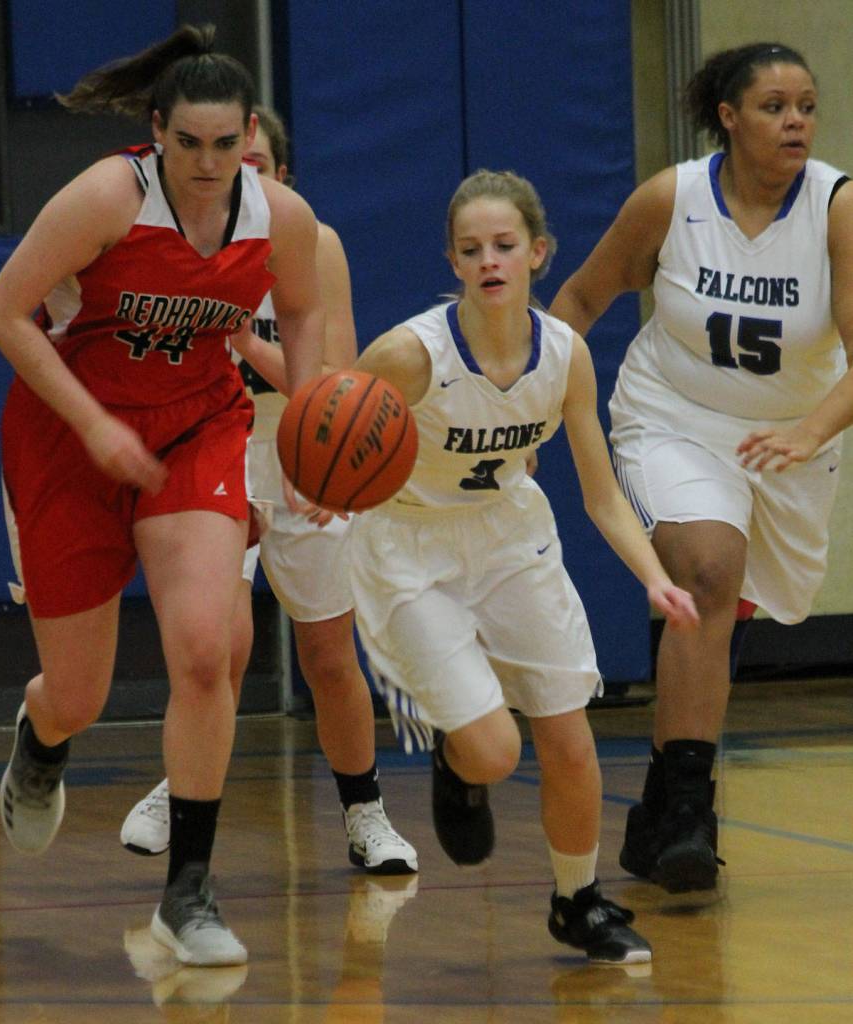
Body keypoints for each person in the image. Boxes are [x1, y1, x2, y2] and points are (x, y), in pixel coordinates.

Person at [0, 25, 325, 966]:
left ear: (249, 134)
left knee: (206, 652)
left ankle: (189, 892)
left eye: (226, 144)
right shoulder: (107, 197)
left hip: (194, 428)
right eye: (188, 144)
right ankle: (42, 736)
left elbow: (300, 311)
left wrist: (309, 432)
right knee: (79, 695)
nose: (208, 164)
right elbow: (5, 311)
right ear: (156, 130)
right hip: (69, 438)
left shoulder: (279, 218)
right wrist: (94, 423)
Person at [349, 169, 700, 964]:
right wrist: (322, 494)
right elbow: (330, 438)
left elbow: (603, 496)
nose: (489, 260)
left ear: (538, 252)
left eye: (504, 245)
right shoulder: (407, 355)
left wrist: (656, 578)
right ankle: (457, 757)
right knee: (496, 751)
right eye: (471, 249)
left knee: (569, 737)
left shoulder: (565, 356)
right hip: (410, 547)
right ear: (453, 261)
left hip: (511, 537)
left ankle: (577, 902)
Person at [549, 42, 853, 895]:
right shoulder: (671, 199)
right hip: (672, 418)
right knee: (708, 573)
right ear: (729, 117)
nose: (795, 121)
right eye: (773, 106)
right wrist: (529, 402)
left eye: (806, 106)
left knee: (730, 612)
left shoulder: (836, 207)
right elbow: (579, 300)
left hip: (790, 438)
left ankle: (658, 804)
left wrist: (809, 433)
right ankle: (689, 810)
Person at [120, 106, 417, 876]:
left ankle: (365, 813)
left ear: (281, 178)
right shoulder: (176, 242)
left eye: (253, 163)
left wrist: (247, 341)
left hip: (304, 448)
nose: (234, 173)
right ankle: (179, 787)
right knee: (215, 644)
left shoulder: (315, 244)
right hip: (210, 450)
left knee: (328, 654)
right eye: (224, 158)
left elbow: (335, 379)